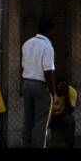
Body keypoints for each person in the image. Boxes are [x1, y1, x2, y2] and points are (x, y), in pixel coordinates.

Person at [20, 18, 57, 148]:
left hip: (26, 83)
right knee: (41, 122)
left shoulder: (27, 43)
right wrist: (53, 92)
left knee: (27, 120)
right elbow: (48, 71)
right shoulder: (48, 47)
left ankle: (26, 145)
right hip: (40, 85)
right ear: (49, 30)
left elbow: (23, 66)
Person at [49, 76, 78, 148]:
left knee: (69, 119)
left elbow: (70, 111)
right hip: (50, 117)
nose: (61, 89)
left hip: (62, 116)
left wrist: (66, 95)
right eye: (59, 88)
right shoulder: (50, 92)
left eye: (64, 87)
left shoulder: (71, 91)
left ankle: (69, 145)